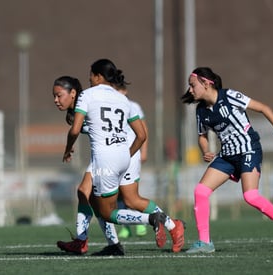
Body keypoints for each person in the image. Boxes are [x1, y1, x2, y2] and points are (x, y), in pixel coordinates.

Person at [61, 58, 185, 254]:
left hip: (106, 157)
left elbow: (75, 130)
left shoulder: (88, 95)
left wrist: (68, 149)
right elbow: (142, 134)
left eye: (91, 76)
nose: (90, 80)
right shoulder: (122, 99)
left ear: (98, 76)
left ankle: (152, 220)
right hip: (124, 154)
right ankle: (98, 242)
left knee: (108, 212)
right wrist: (127, 155)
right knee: (89, 193)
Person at [181, 67, 273, 253]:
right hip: (227, 155)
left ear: (206, 83)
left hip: (248, 150)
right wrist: (205, 150)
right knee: (201, 191)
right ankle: (205, 242)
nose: (190, 90)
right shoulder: (201, 111)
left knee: (250, 196)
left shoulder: (229, 96)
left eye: (192, 85)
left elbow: (264, 108)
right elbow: (202, 135)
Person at [53, 76, 124, 256]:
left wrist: (68, 149)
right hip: (104, 154)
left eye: (59, 95)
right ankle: (112, 244)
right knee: (91, 198)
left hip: (114, 152)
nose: (55, 100)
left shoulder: (88, 100)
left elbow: (78, 131)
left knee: (89, 193)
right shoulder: (74, 113)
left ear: (73, 93)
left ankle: (163, 221)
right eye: (54, 96)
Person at [116, 85, 148, 239]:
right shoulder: (111, 105)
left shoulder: (133, 106)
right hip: (117, 154)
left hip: (132, 153)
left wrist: (144, 151)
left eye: (120, 90)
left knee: (131, 194)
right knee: (118, 195)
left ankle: (141, 222)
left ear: (125, 90)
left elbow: (143, 131)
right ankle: (126, 227)